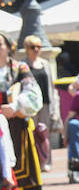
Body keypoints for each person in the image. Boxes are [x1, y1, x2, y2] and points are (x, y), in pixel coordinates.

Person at [0, 35, 44, 190]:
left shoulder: (20, 68)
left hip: (16, 126)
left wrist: (15, 106)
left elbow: (34, 94)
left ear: (8, 47)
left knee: (18, 172)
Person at [21, 35, 55, 172]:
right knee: (31, 133)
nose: (36, 49)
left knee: (44, 134)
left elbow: (51, 86)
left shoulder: (45, 64)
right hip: (30, 105)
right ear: (27, 49)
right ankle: (34, 162)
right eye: (32, 47)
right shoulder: (23, 66)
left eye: (38, 47)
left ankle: (46, 161)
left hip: (45, 103)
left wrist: (54, 108)